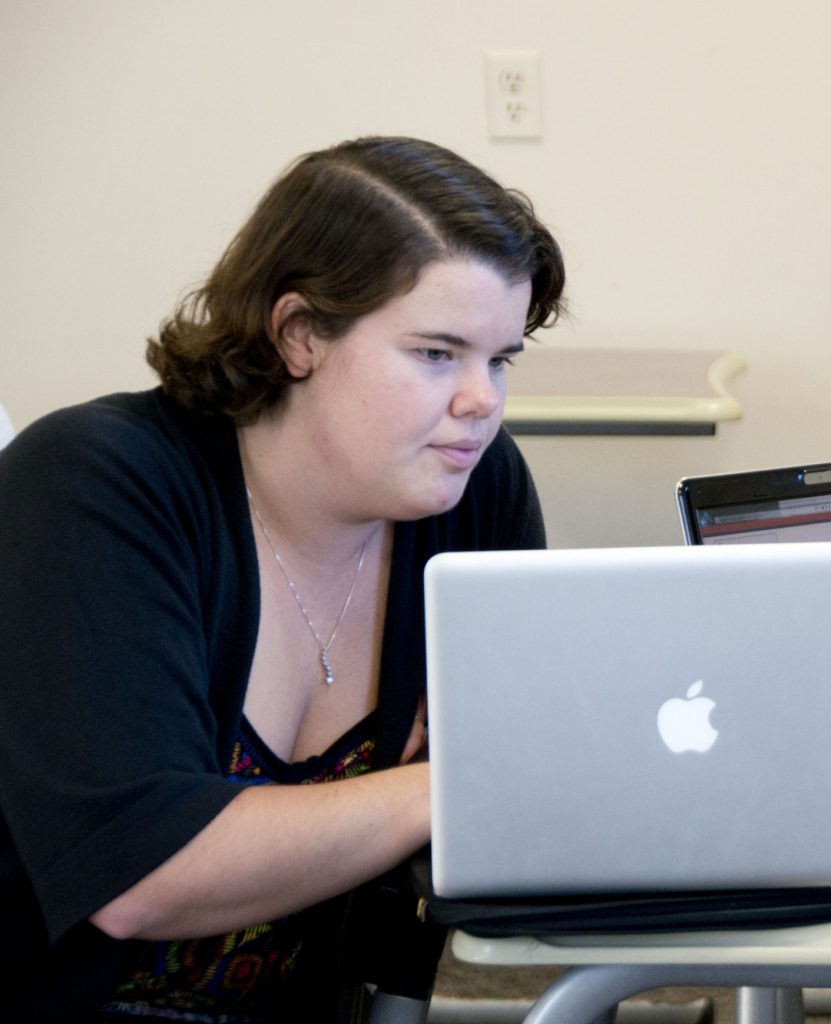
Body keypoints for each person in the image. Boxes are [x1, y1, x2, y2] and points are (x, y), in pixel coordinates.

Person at [0, 136, 565, 1021]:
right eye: (436, 354)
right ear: (300, 334)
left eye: (499, 360)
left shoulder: (474, 492)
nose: (482, 403)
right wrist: (450, 787)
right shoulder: (94, 482)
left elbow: (531, 779)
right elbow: (143, 873)